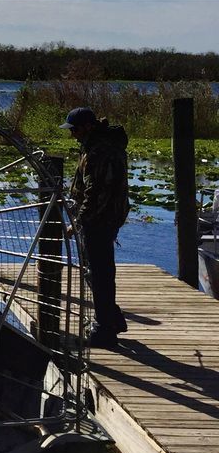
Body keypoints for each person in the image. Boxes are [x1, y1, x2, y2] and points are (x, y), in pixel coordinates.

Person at [62, 106, 130, 351]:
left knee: (99, 273)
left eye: (75, 130)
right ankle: (112, 319)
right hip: (107, 217)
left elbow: (95, 192)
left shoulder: (99, 151)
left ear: (88, 127)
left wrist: (79, 221)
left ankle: (105, 330)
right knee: (99, 271)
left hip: (98, 220)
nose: (73, 135)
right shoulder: (102, 145)